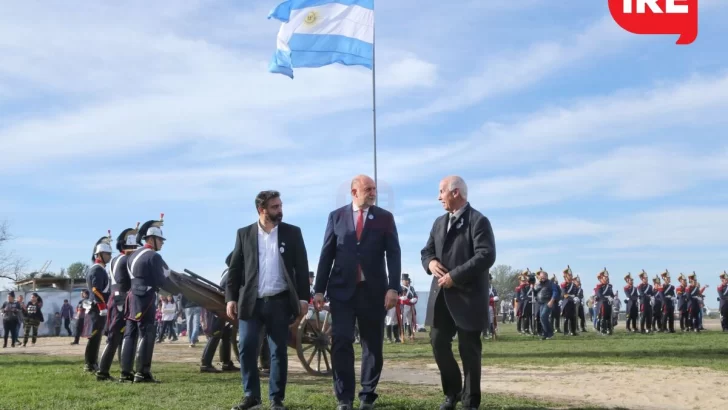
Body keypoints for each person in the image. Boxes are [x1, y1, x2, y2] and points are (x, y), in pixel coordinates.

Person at [313, 175, 401, 410]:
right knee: (341, 340)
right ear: (354, 192)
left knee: (372, 344)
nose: (373, 193)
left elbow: (393, 254)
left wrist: (393, 287)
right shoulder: (336, 217)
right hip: (342, 291)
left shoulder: (384, 218)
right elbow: (326, 255)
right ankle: (344, 398)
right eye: (368, 189)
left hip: (373, 292)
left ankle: (367, 394)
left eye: (374, 189)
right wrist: (318, 289)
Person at [225, 190, 310, 410]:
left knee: (278, 350)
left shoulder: (292, 233)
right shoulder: (244, 234)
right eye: (275, 207)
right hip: (251, 302)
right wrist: (230, 299)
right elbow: (234, 270)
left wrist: (303, 299)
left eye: (280, 206)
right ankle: (251, 396)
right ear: (261, 210)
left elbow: (302, 268)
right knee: (246, 347)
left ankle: (276, 399)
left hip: (280, 302)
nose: (280, 210)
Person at [420, 176, 496, 410]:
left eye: (441, 191)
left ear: (455, 193)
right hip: (441, 297)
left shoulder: (478, 221)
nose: (438, 197)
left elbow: (486, 255)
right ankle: (452, 393)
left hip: (468, 297)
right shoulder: (438, 223)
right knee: (438, 342)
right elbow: (426, 251)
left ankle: (470, 401)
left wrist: (456, 276)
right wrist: (430, 263)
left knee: (469, 349)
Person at [119, 214, 168, 383]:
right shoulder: (154, 257)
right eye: (160, 240)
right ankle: (142, 373)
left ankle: (126, 372)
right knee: (147, 333)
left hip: (131, 296)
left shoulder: (132, 254)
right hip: (145, 297)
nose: (162, 243)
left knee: (130, 335)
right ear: (152, 239)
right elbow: (162, 280)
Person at [97, 225, 138, 381]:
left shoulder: (117, 259)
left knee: (120, 336)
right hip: (121, 300)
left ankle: (124, 369)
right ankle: (103, 371)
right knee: (115, 337)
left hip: (118, 299)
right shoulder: (126, 259)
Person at [84, 232, 113, 372]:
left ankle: (92, 362)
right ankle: (90, 363)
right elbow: (96, 290)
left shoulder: (98, 269)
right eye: (107, 254)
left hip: (97, 307)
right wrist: (103, 306)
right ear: (99, 254)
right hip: (97, 308)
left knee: (96, 336)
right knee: (95, 337)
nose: (110, 256)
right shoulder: (97, 270)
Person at [534, 269, 558, 340]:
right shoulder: (539, 284)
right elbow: (535, 293)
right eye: (540, 277)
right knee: (542, 318)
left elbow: (555, 292)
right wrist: (532, 287)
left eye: (543, 276)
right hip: (541, 303)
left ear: (546, 277)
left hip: (548, 302)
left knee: (543, 317)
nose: (542, 278)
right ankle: (550, 333)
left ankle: (545, 334)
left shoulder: (550, 283)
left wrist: (551, 301)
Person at [596, 269, 615, 336]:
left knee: (608, 317)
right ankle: (602, 330)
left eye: (607, 277)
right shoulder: (599, 286)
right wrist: (607, 298)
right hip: (603, 303)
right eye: (605, 277)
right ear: (601, 278)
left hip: (609, 303)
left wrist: (612, 298)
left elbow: (612, 294)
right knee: (603, 317)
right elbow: (600, 295)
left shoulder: (609, 286)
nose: (606, 278)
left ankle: (609, 329)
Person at [399, 273, 418, 341]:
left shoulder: (411, 288)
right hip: (403, 306)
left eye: (407, 280)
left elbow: (415, 295)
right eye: (405, 280)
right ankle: (402, 335)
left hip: (411, 306)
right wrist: (401, 298)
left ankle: (410, 335)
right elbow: (397, 296)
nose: (407, 281)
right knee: (402, 321)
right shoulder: (400, 287)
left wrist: (415, 299)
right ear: (402, 281)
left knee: (409, 321)